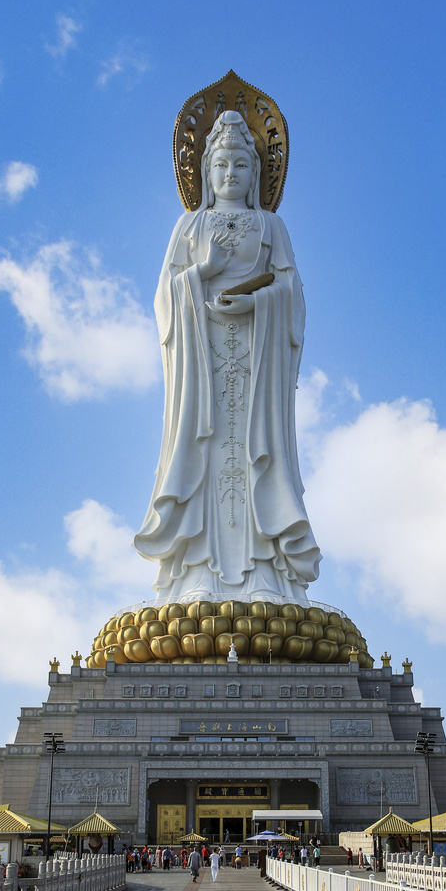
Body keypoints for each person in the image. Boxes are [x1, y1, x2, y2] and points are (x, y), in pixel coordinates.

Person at [133, 109, 320, 603]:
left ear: (256, 174)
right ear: (206, 174)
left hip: (257, 367)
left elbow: (292, 294)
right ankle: (199, 578)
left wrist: (259, 301)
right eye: (221, 166)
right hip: (203, 366)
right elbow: (164, 299)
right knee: (208, 452)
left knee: (253, 453)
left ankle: (264, 575)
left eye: (240, 165)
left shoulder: (271, 226)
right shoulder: (189, 225)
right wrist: (203, 273)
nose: (231, 175)